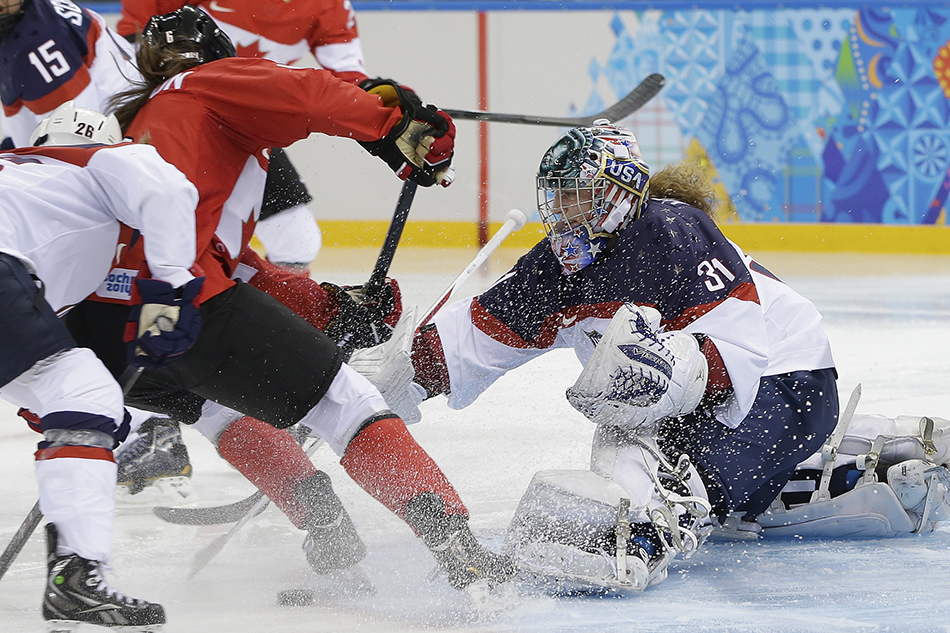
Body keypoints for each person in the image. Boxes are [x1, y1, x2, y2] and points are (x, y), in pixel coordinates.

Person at [63, 6, 513, 594]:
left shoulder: (147, 119)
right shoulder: (209, 82)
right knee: (344, 402)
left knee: (218, 407)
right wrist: (393, 120)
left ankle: (326, 530)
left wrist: (325, 306)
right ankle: (460, 549)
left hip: (108, 319)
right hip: (179, 299)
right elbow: (306, 91)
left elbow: (233, 262)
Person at [383, 120, 845, 591]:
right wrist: (391, 377)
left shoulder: (672, 231)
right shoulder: (555, 267)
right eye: (556, 195)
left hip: (789, 381)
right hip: (711, 406)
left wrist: (669, 371)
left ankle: (646, 534)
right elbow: (475, 336)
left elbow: (740, 351)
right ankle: (798, 479)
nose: (561, 211)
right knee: (633, 433)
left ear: (618, 192)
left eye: (575, 194)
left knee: (638, 444)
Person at [0, 102, 202, 628]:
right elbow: (170, 191)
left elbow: (27, 377)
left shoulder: (25, 179)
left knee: (80, 394)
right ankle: (77, 577)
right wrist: (172, 289)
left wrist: (119, 428)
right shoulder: (102, 159)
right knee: (86, 393)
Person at [116, 0, 375, 271]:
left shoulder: (329, 5)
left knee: (295, 238)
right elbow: (135, 34)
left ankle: (280, 302)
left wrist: (388, 101)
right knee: (159, 220)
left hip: (243, 122)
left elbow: (350, 78)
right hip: (174, 114)